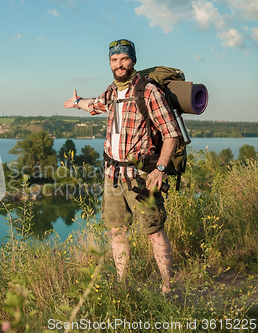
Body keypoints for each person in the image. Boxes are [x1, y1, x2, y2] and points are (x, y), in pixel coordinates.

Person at [63, 39, 181, 294]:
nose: (119, 64)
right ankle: (122, 286)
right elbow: (96, 104)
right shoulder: (112, 92)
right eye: (114, 60)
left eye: (124, 59)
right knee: (117, 231)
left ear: (133, 61)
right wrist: (77, 101)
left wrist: (160, 169)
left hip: (141, 177)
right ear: (110, 63)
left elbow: (171, 133)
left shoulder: (148, 92)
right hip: (112, 175)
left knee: (154, 231)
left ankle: (168, 288)